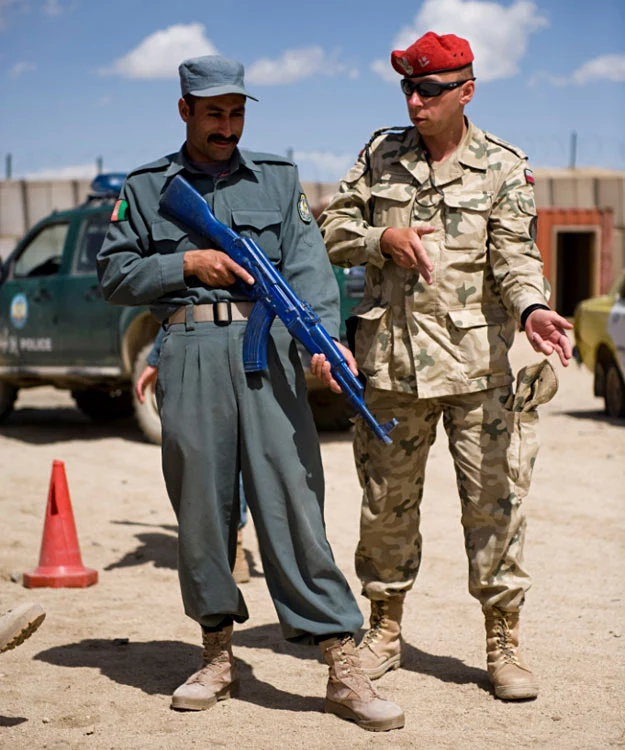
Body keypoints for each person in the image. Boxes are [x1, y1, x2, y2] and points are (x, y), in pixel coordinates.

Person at [97, 55, 404, 731]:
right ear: (185, 111)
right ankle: (215, 656)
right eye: (213, 113)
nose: (226, 127)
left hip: (268, 357)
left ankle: (341, 666)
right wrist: (185, 263)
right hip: (190, 352)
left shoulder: (277, 178)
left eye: (236, 113)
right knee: (203, 510)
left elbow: (307, 269)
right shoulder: (150, 188)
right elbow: (113, 274)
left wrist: (328, 343)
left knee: (295, 501)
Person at [315, 32, 573, 701]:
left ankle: (502, 639)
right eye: (407, 88)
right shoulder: (380, 154)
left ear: (465, 90)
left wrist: (532, 310)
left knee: (494, 507)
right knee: (385, 509)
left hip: (476, 370)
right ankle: (384, 629)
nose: (414, 100)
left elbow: (514, 257)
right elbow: (330, 232)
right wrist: (382, 238)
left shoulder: (502, 167)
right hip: (392, 368)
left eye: (429, 89)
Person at [135, 330, 250, 583]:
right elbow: (184, 304)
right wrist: (156, 357)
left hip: (245, 351)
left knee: (237, 453)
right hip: (218, 353)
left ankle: (237, 541)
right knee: (228, 452)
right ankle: (233, 542)